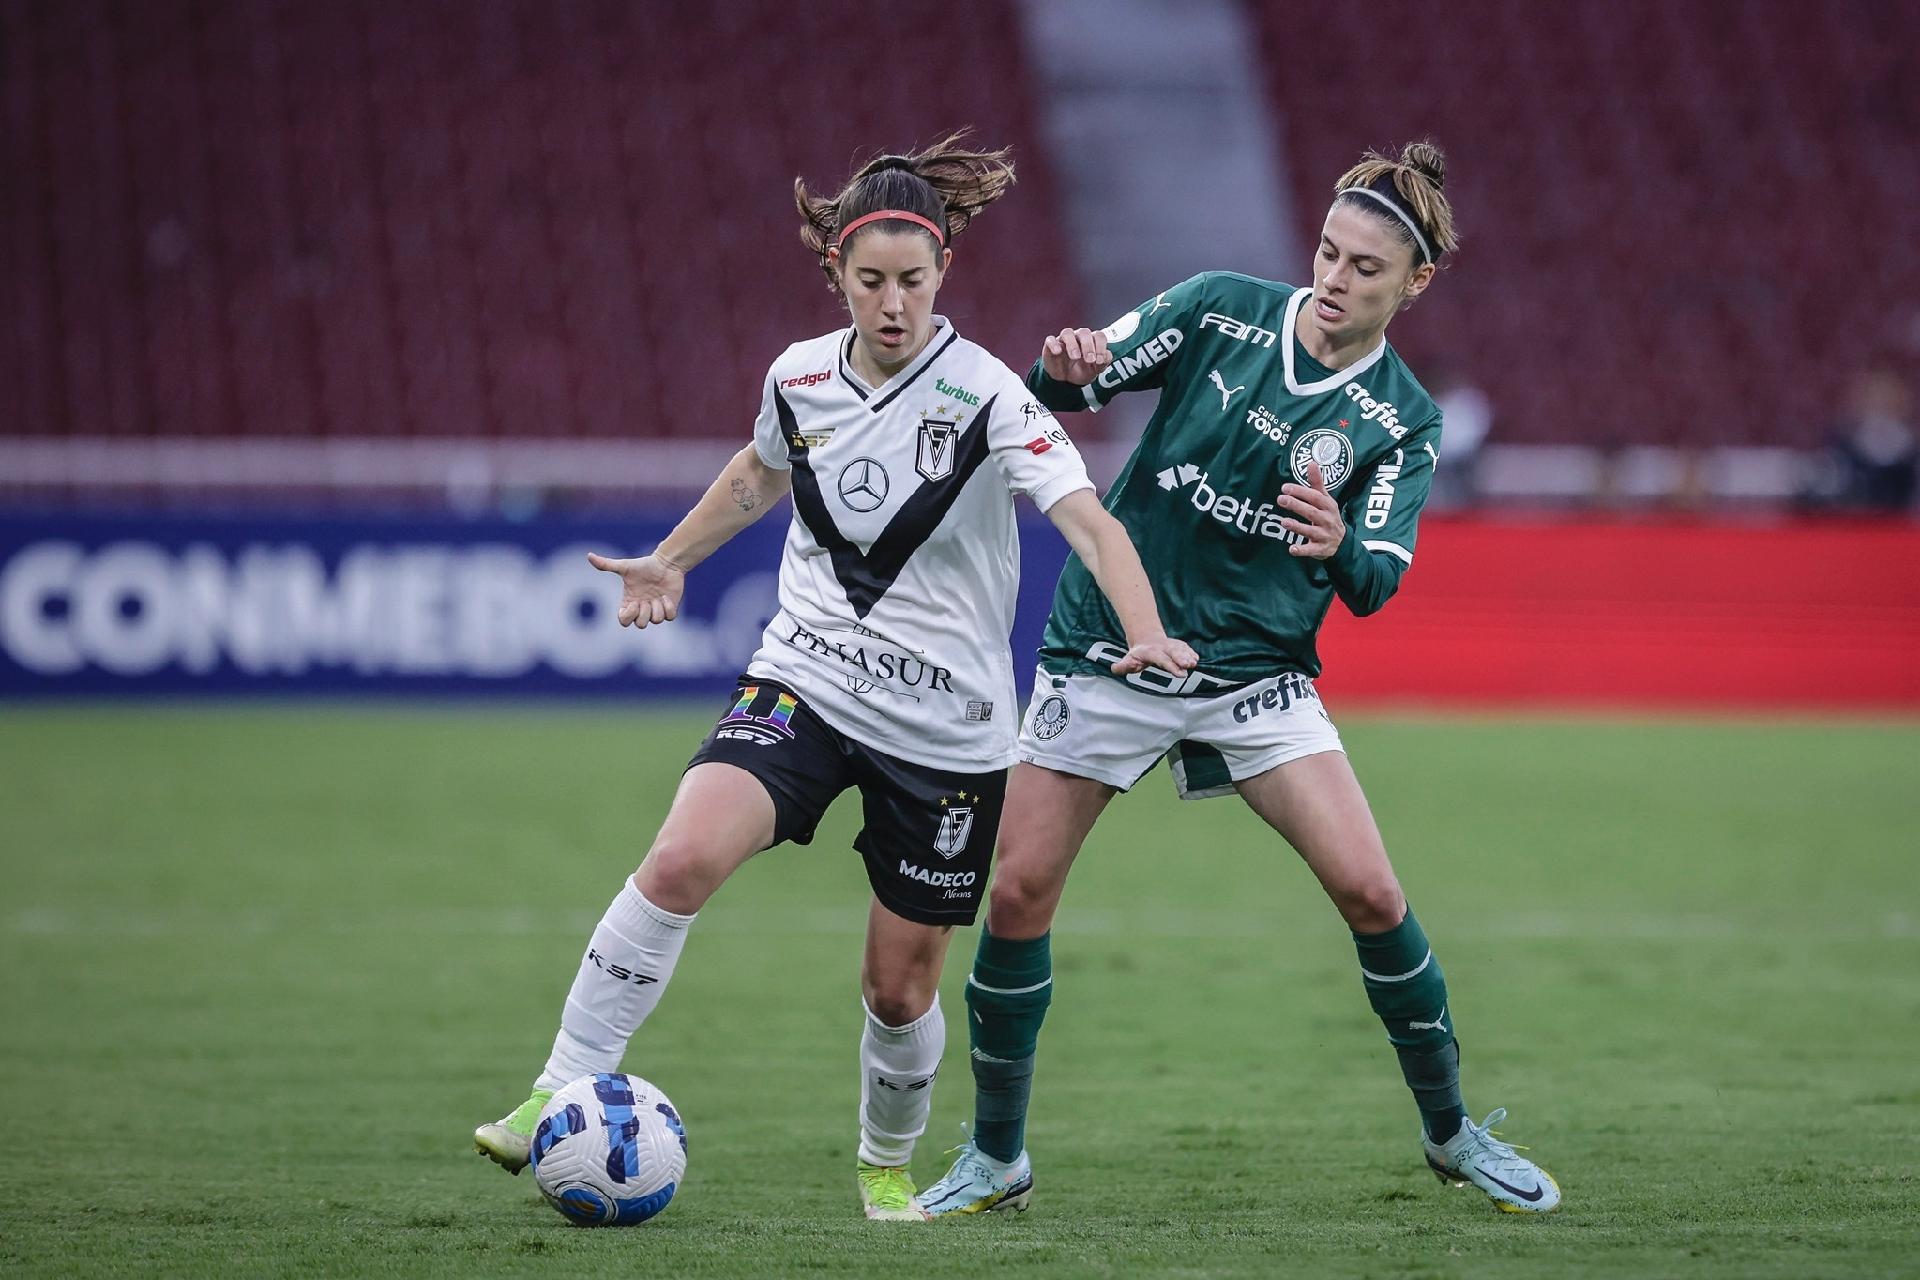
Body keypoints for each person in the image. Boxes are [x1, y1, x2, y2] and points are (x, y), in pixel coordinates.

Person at [471, 132, 1196, 1221]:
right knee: (679, 856)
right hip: (804, 679)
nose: (893, 303)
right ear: (836, 277)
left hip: (946, 732)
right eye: (871, 282)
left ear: (944, 268)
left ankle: (884, 1164)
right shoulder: (798, 374)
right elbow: (758, 469)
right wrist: (671, 555)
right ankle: (551, 1089)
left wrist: (1144, 626)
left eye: (912, 280)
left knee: (897, 987)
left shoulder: (988, 394)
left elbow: (1089, 520)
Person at [917, 141, 1562, 1218]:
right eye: (1328, 250)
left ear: (1417, 283)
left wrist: (1335, 541)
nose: (1335, 277)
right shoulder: (1219, 308)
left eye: (1365, 266)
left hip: (1254, 671)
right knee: (1020, 891)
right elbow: (1060, 389)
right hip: (1116, 643)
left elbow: (1378, 583)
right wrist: (1062, 368)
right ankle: (996, 1157)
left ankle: (1452, 1134)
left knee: (1372, 891)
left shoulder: (1403, 417)